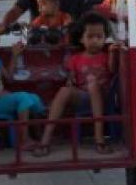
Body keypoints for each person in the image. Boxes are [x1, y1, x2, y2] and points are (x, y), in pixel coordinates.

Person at [36, 12, 119, 157]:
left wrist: (112, 53)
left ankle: (99, 139)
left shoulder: (106, 56)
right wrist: (70, 79)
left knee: (93, 85)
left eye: (99, 37)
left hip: (102, 97)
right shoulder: (75, 59)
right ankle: (45, 140)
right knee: (64, 91)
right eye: (90, 37)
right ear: (81, 38)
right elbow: (71, 77)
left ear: (105, 38)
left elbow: (112, 70)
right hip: (83, 97)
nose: (95, 41)